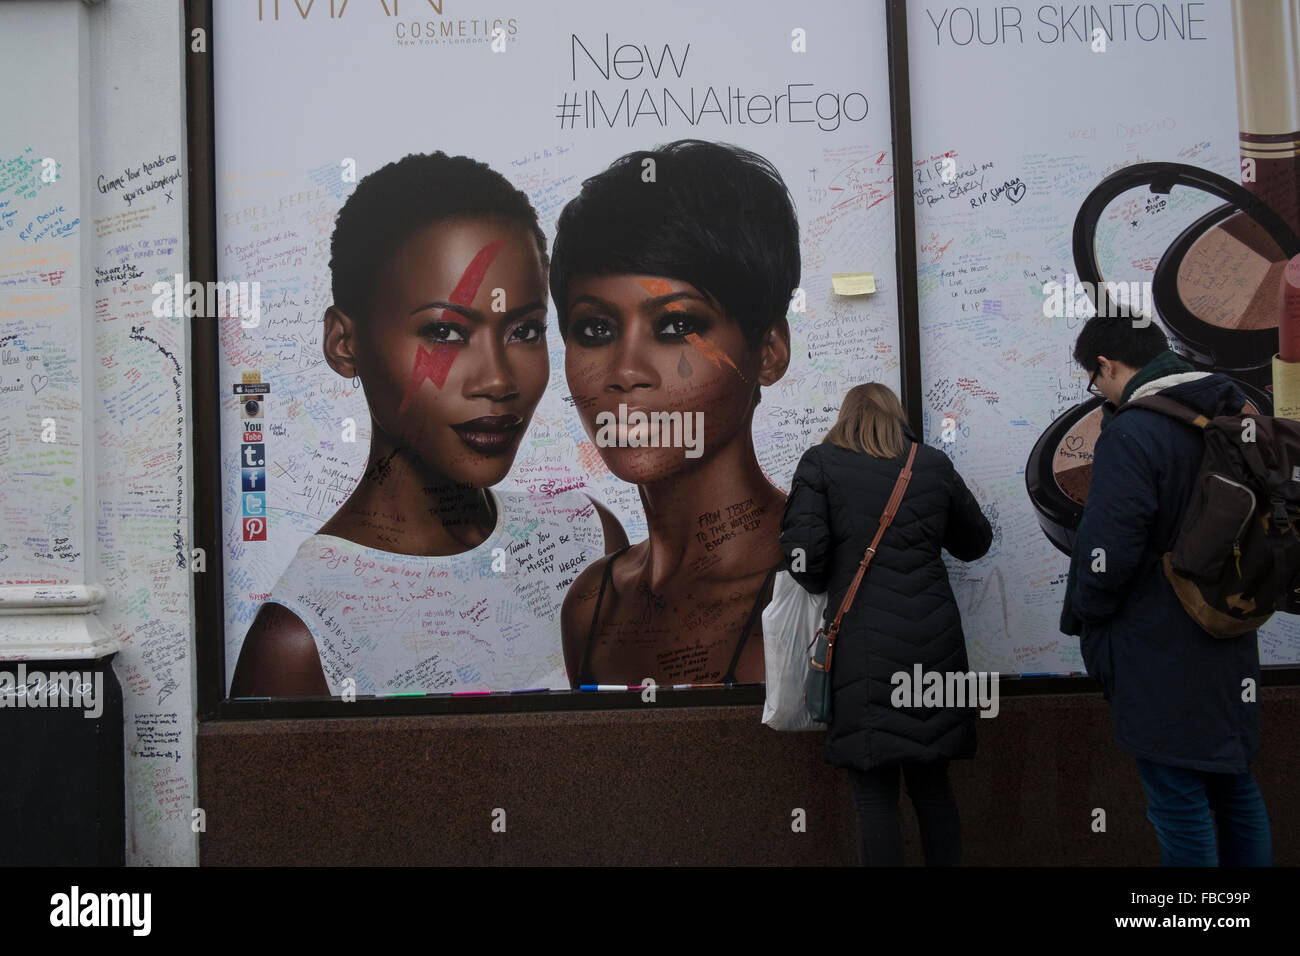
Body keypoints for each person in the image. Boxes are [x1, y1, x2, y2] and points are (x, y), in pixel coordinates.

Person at [230, 152, 626, 699]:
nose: (497, 379)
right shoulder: (303, 639)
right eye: (444, 333)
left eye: (525, 331)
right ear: (345, 344)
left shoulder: (585, 543)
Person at [551, 139, 795, 687]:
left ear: (769, 351)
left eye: (678, 326)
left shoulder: (828, 586)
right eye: (595, 329)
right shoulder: (592, 607)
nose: (626, 370)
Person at [1061, 314, 1269, 866]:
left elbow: (1110, 550)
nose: (1099, 391)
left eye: (1094, 380)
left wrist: (1092, 612)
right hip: (1226, 627)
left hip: (1158, 641)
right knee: (1232, 786)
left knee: (1177, 801)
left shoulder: (1133, 430)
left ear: (1107, 364)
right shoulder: (1228, 412)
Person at [781, 383, 992, 866]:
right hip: (935, 647)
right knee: (934, 789)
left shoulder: (820, 463)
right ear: (897, 418)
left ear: (845, 418)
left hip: (863, 647)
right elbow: (975, 541)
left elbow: (804, 559)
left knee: (874, 795)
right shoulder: (931, 464)